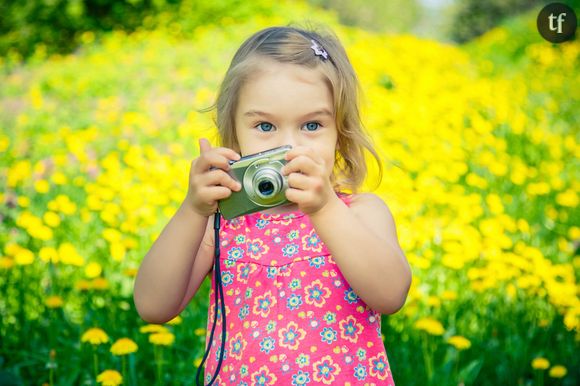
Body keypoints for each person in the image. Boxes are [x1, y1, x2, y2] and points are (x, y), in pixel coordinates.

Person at [134, 24, 412, 385]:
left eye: (312, 126)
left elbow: (390, 295)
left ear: (339, 134)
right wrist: (193, 210)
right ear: (234, 133)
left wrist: (324, 208)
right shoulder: (221, 223)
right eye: (265, 127)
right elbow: (153, 306)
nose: (288, 147)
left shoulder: (359, 212)